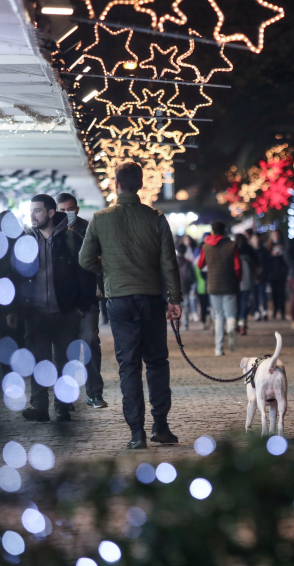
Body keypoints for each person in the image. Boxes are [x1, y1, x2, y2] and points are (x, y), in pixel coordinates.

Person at [78, 163, 183, 449]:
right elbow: (169, 262)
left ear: (116, 184)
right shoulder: (156, 218)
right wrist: (175, 299)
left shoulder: (100, 219)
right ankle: (161, 426)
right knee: (157, 363)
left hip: (119, 301)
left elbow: (85, 260)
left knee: (129, 366)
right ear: (140, 184)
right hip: (151, 298)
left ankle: (136, 433)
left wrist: (108, 271)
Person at [9, 194, 96, 422]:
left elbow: (87, 275)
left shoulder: (71, 240)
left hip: (66, 312)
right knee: (39, 360)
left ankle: (62, 406)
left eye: (37, 210)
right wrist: (17, 310)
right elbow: (16, 278)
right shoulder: (26, 242)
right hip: (36, 313)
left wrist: (80, 308)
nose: (32, 215)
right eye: (31, 210)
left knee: (65, 362)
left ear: (50, 212)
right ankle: (39, 405)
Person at [57, 192, 106, 409]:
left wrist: (99, 284)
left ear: (76, 210)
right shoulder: (53, 233)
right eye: (62, 210)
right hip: (64, 299)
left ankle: (94, 393)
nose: (67, 214)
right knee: (67, 346)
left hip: (87, 297)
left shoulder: (89, 229)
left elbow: (100, 260)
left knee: (90, 340)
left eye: (70, 209)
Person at [197, 221, 241, 356]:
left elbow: (200, 264)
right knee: (230, 314)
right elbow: (237, 266)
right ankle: (231, 328)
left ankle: (218, 348)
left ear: (212, 231)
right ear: (224, 231)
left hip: (213, 284)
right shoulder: (232, 245)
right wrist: (237, 280)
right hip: (229, 284)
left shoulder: (206, 247)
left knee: (219, 315)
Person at [236, 233, 257, 335]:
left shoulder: (233, 251)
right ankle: (242, 324)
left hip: (235, 282)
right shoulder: (249, 251)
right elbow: (256, 264)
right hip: (246, 280)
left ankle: (237, 324)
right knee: (244, 303)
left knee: (237, 304)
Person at [268, 230, 288, 320]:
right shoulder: (269, 247)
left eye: (277, 235)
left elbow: (286, 260)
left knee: (281, 293)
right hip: (272, 274)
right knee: (274, 293)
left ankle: (282, 311)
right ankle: (275, 310)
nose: (275, 236)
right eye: (274, 235)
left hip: (281, 273)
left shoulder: (284, 246)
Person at [250, 231, 270, 321]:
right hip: (253, 276)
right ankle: (257, 312)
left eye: (257, 238)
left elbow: (267, 263)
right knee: (255, 295)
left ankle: (264, 311)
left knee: (263, 294)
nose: (256, 240)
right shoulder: (250, 250)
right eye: (255, 238)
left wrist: (264, 274)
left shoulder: (264, 250)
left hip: (262, 275)